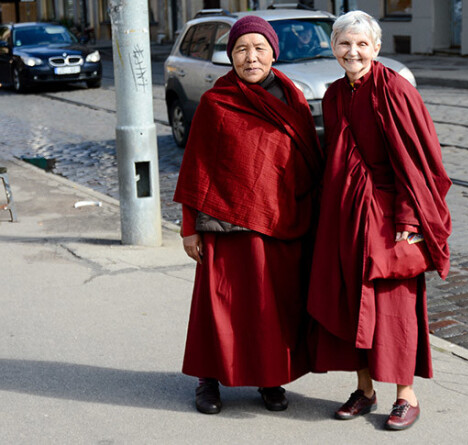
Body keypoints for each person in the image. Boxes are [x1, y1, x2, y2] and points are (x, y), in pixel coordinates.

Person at [307, 11, 452, 431]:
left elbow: (420, 161)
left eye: (361, 44)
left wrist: (411, 216)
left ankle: (406, 395)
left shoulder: (396, 91)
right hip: (345, 215)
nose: (353, 52)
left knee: (395, 306)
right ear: (333, 49)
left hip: (390, 215)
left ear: (376, 47)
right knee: (353, 301)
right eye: (344, 44)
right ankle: (365, 389)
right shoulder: (334, 95)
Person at [173, 16, 322, 415]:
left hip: (280, 221)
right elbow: (196, 168)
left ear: (274, 52)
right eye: (241, 49)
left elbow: (309, 159)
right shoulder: (214, 102)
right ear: (230, 56)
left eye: (259, 48)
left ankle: (269, 378)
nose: (250, 57)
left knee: (269, 308)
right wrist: (190, 229)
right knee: (218, 306)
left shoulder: (293, 100)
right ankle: (208, 380)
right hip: (223, 223)